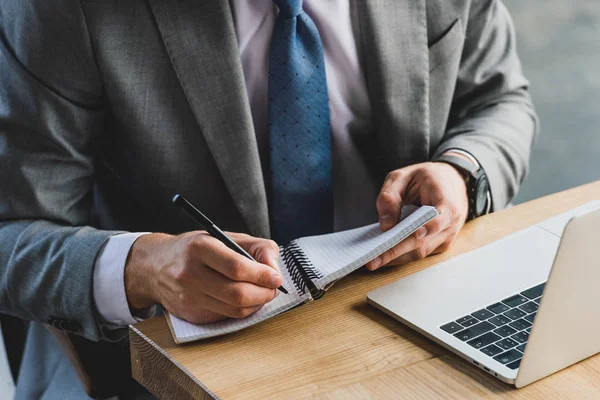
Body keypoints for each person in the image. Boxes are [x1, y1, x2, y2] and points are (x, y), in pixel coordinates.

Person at [0, 0, 537, 398]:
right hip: (164, 364)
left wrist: (461, 172)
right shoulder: (61, 10)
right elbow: (13, 234)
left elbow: (499, 100)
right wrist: (141, 268)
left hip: (405, 317)